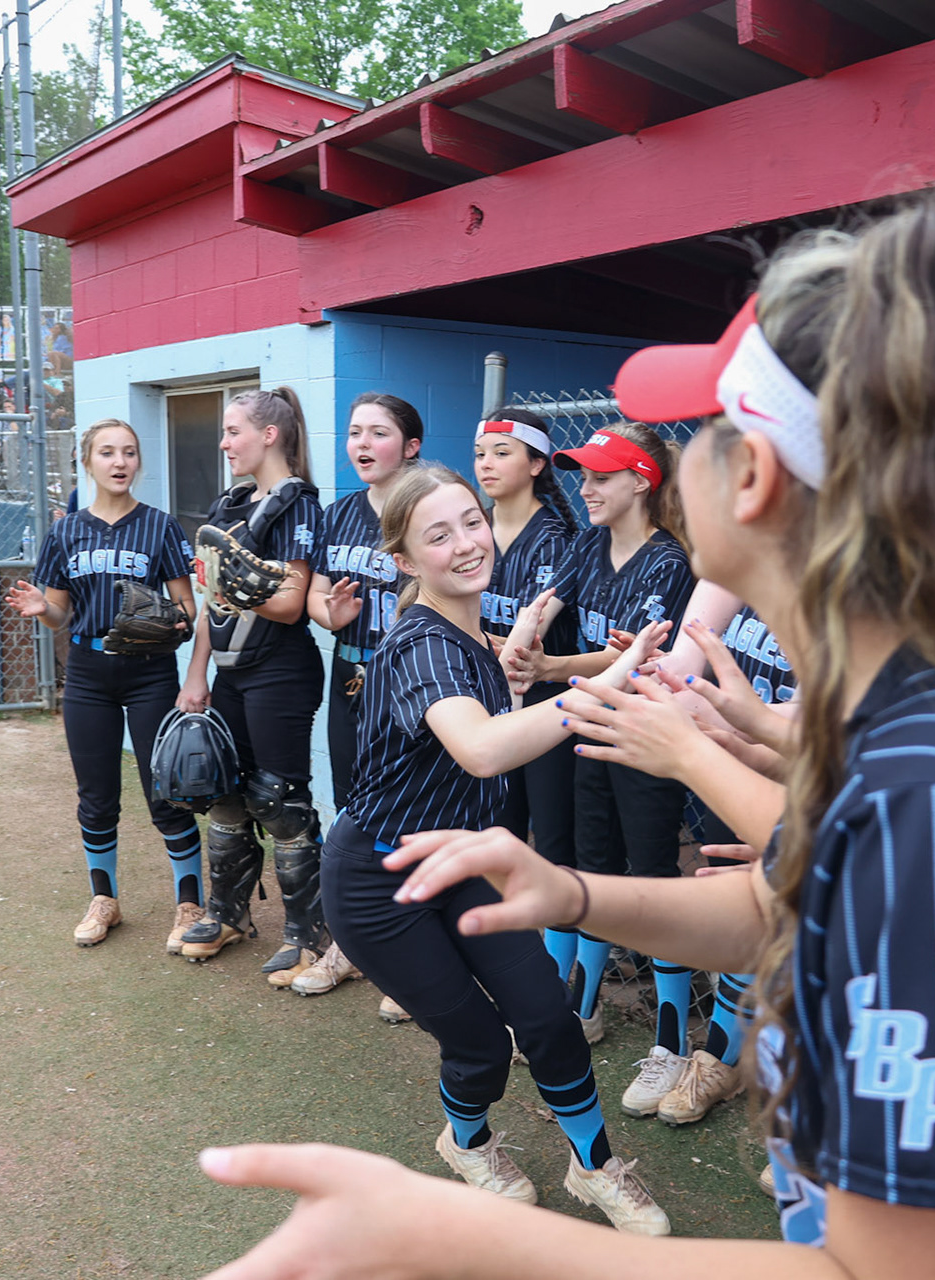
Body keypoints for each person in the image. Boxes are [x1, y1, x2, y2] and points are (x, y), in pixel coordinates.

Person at [200, 198, 935, 1279]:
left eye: (700, 422)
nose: (672, 449)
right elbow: (811, 899)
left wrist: (462, 1238)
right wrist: (575, 894)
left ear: (753, 478)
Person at [305, 462, 671, 1235]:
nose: (468, 542)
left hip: (466, 859)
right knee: (478, 1044)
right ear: (405, 560)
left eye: (472, 521)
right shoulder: (422, 645)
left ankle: (595, 1167)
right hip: (383, 880)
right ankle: (466, 1141)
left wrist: (520, 657)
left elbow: (478, 714)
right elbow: (479, 750)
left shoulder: (470, 631)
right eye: (438, 535)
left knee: (548, 1015)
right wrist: (613, 680)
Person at [500, 421, 696, 1115]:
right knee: (589, 871)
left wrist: (551, 665)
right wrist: (522, 644)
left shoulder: (669, 561)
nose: (585, 488)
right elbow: (543, 604)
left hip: (646, 739)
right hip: (589, 725)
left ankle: (671, 1046)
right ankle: (580, 1009)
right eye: (582, 475)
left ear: (641, 481)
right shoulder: (587, 542)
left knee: (652, 884)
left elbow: (637, 663)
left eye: (601, 477)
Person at [4, 419, 205, 950]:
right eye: (108, 453)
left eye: (130, 453)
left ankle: (189, 905)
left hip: (148, 672)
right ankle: (104, 900)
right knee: (96, 795)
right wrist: (40, 607)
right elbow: (58, 615)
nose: (120, 462)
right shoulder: (65, 531)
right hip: (89, 673)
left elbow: (186, 607)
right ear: (87, 462)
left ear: (139, 462)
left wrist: (173, 620)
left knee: (167, 792)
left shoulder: (160, 526)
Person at [176, 387, 326, 980]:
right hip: (230, 673)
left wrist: (243, 588)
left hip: (282, 672)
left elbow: (290, 605)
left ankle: (306, 933)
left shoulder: (299, 508)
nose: (224, 442)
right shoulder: (229, 504)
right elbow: (213, 603)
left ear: (269, 435)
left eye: (234, 430)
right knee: (225, 793)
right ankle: (229, 913)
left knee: (281, 802)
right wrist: (196, 674)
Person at [289, 392, 424, 1000]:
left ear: (411, 446)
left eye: (379, 433)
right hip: (350, 674)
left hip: (412, 685)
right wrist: (329, 612)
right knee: (352, 810)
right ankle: (351, 945)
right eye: (354, 433)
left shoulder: (426, 511)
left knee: (412, 815)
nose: (363, 445)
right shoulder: (338, 514)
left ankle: (411, 958)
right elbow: (317, 599)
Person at [471, 408, 585, 996]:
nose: (486, 463)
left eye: (501, 452)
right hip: (488, 707)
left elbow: (535, 623)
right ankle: (507, 970)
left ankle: (560, 985)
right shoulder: (471, 530)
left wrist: (505, 646)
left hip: (547, 710)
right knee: (497, 831)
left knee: (555, 841)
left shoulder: (561, 538)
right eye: (480, 452)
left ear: (538, 465)